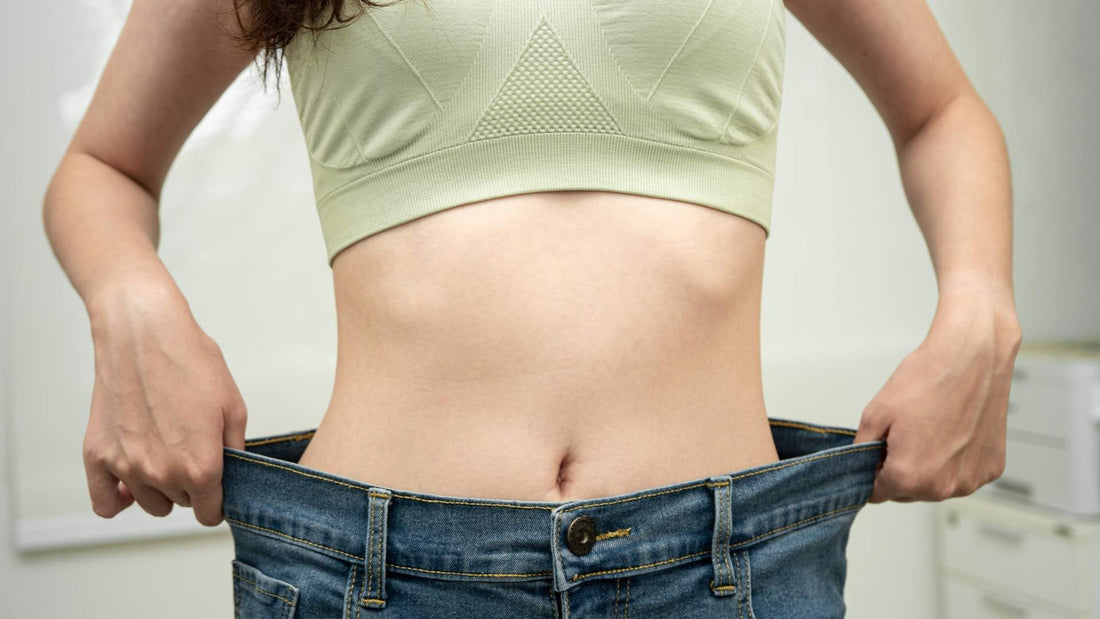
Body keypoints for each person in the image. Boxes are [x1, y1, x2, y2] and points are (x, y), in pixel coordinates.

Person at [43, 0, 1022, 616]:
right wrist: (131, 302)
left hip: (724, 574)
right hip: (378, 581)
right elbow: (103, 167)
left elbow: (940, 113)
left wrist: (976, 309)